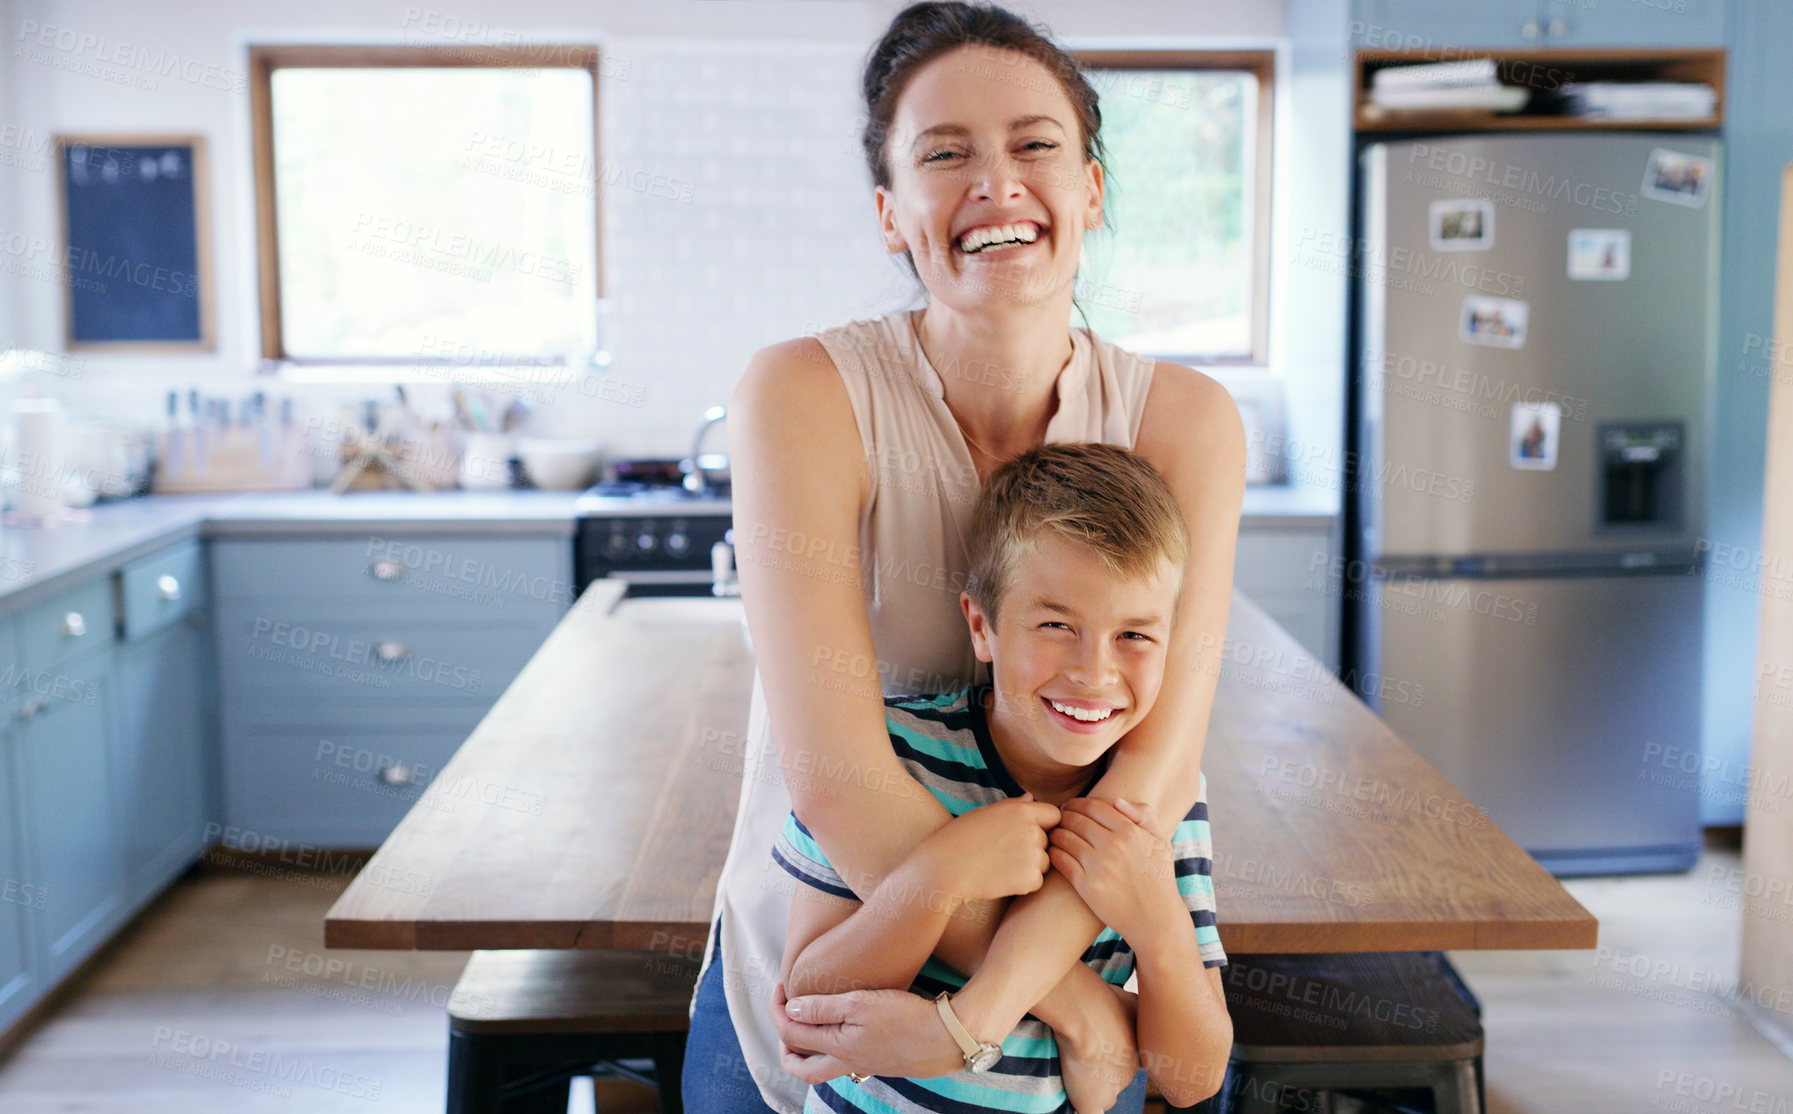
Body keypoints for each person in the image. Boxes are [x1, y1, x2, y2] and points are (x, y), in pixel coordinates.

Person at [683, 3, 1246, 1112]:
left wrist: (990, 1012)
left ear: (1089, 188)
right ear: (892, 215)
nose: (996, 183)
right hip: (837, 960)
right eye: (945, 155)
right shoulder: (801, 396)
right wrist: (1061, 1005)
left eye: (1034, 145)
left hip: (1095, 970)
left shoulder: (1185, 420)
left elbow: (1154, 777)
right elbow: (839, 784)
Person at [772, 443, 1231, 1112]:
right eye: (1055, 625)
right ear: (981, 627)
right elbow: (811, 999)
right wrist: (940, 876)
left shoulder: (1166, 804)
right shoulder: (893, 755)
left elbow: (1192, 1080)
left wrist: (1159, 928)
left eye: (1134, 635)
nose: (1094, 673)